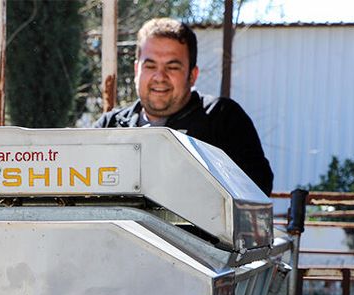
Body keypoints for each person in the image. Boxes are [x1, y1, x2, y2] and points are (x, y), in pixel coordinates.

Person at [95, 18, 273, 196]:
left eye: (172, 67)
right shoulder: (110, 125)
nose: (159, 76)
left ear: (192, 75)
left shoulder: (222, 119)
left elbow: (257, 191)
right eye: (150, 66)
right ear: (136, 71)